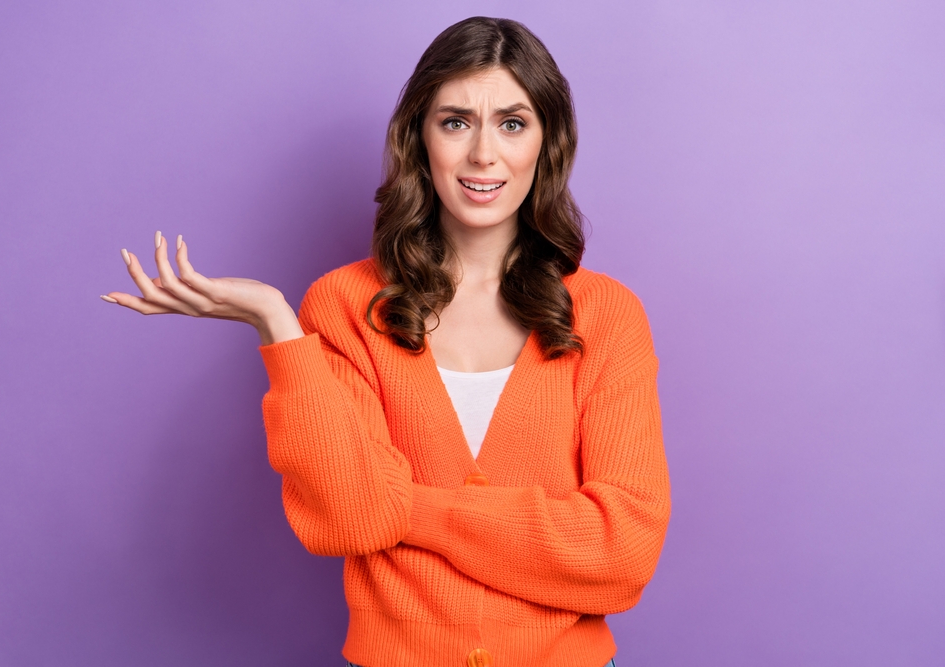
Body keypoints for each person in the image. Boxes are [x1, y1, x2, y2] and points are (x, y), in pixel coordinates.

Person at [101, 16, 670, 667]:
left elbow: (623, 552)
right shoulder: (344, 305)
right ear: (419, 139)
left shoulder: (607, 316)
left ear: (547, 142)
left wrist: (413, 508)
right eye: (455, 121)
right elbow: (351, 518)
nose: (484, 153)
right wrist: (278, 325)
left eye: (512, 123)